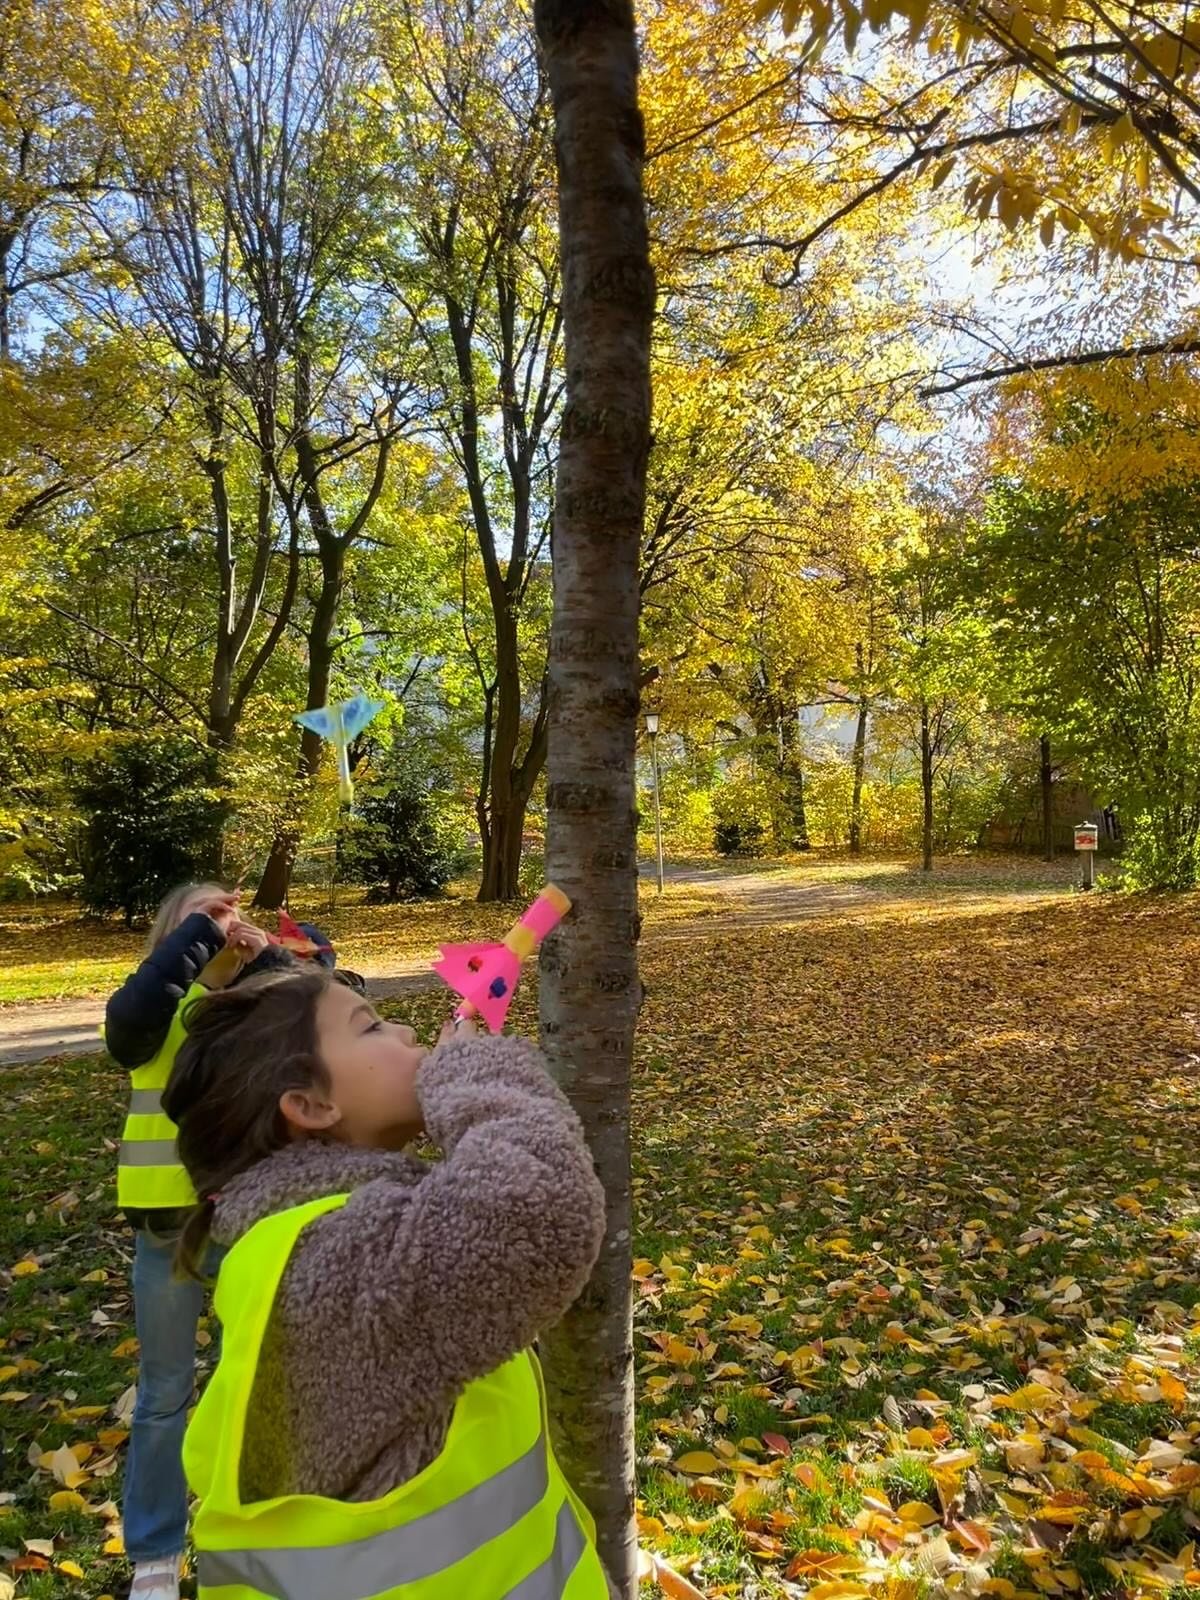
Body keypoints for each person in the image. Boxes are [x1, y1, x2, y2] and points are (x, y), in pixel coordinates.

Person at [162, 965, 611, 1599]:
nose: (403, 1030)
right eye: (369, 1026)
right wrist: (473, 1076)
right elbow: (536, 1206)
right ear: (311, 1106)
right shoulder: (335, 1260)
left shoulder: (324, 1233)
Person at [104, 884, 311, 1600]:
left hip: (239, 1219)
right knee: (164, 1393)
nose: (224, 927)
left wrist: (268, 952)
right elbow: (128, 1024)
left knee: (249, 1385)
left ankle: (247, 1535)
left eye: (228, 916)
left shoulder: (247, 1007)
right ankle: (156, 1555)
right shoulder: (151, 1006)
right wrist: (196, 933)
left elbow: (326, 1002)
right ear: (177, 932)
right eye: (204, 919)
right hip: (166, 1229)